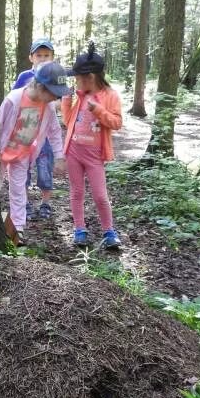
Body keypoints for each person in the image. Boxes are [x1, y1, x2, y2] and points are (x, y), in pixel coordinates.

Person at [0, 62, 68, 245]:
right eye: (52, 92)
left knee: (19, 189)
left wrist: (59, 156)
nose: (54, 98)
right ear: (39, 86)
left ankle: (17, 229)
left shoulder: (49, 106)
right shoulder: (14, 99)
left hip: (22, 153)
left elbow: (54, 131)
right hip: (0, 152)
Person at [61, 43, 123, 248]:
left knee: (99, 194)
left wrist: (98, 110)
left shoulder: (110, 96)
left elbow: (116, 123)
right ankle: (79, 229)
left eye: (77, 78)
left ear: (90, 77)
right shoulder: (79, 95)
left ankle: (109, 232)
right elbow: (68, 121)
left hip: (95, 155)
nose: (75, 81)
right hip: (73, 152)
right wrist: (66, 99)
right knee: (77, 192)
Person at [12, 38, 59, 221]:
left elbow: (60, 100)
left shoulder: (55, 75)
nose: (43, 58)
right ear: (31, 57)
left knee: (45, 166)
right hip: (25, 130)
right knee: (22, 168)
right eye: (39, 55)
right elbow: (15, 97)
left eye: (47, 55)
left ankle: (46, 202)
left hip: (45, 132)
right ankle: (25, 203)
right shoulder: (24, 76)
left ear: (53, 57)